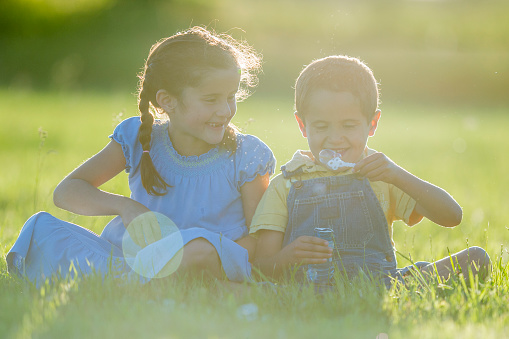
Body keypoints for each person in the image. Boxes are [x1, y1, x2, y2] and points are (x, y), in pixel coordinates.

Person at [7, 26, 275, 288]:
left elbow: (260, 240)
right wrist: (125, 206)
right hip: (135, 259)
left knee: (196, 249)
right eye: (211, 99)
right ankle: (145, 286)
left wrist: (213, 255)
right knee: (41, 229)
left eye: (230, 97)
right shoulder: (138, 137)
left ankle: (130, 286)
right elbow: (66, 192)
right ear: (167, 101)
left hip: (203, 260)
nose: (225, 110)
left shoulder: (247, 155)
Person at [250, 55, 490, 287]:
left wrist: (397, 174)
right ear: (302, 125)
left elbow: (452, 216)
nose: (335, 138)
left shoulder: (382, 176)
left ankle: (402, 288)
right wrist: (289, 256)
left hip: (381, 284)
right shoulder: (286, 184)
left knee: (476, 258)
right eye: (321, 126)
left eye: (349, 125)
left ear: (372, 124)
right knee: (269, 290)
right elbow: (261, 267)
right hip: (308, 287)